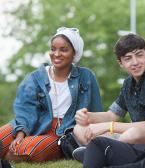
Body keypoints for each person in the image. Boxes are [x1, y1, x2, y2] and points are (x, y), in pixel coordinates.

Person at [0, 27, 103, 162]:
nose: (56, 54)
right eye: (53, 49)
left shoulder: (86, 76)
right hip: (29, 123)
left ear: (74, 53)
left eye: (63, 49)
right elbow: (25, 109)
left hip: (60, 131)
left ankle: (8, 158)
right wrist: (20, 134)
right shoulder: (36, 77)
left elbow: (96, 111)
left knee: (25, 150)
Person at [73, 34, 145, 148]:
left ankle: (101, 151)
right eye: (128, 58)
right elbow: (112, 115)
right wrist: (88, 116)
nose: (135, 62)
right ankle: (101, 150)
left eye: (139, 55)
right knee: (79, 129)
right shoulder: (128, 83)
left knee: (131, 135)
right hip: (132, 140)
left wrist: (108, 126)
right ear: (121, 63)